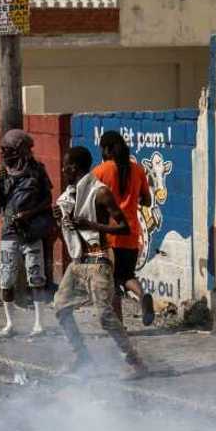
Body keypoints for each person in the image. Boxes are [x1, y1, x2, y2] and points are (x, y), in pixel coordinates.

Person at [54, 146, 148, 379]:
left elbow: (123, 227)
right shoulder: (68, 196)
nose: (63, 169)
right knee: (60, 308)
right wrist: (61, 221)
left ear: (74, 167)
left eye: (66, 165)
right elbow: (72, 231)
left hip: (98, 261)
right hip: (77, 262)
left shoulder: (100, 193)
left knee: (105, 315)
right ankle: (81, 355)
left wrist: (93, 226)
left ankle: (135, 363)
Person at [0, 129, 53, 338]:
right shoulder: (3, 173)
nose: (4, 153)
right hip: (9, 233)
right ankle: (10, 324)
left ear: (19, 149)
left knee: (36, 278)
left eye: (8, 149)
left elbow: (47, 200)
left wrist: (30, 213)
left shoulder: (37, 171)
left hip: (31, 233)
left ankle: (39, 324)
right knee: (6, 279)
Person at [93, 129, 156, 327]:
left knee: (111, 283)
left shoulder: (100, 171)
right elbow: (146, 200)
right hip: (131, 233)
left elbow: (90, 200)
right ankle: (143, 295)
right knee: (127, 275)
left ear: (108, 149)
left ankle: (118, 325)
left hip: (109, 235)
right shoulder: (137, 169)